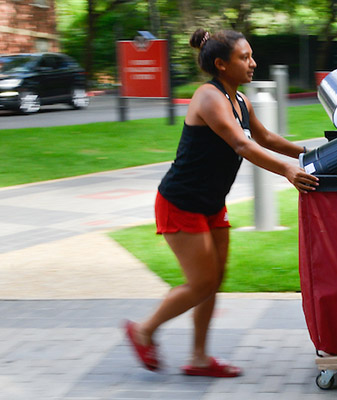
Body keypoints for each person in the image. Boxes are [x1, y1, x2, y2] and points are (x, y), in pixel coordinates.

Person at [124, 28, 319, 377]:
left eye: (251, 56)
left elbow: (265, 137)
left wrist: (313, 153)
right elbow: (242, 146)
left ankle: (199, 357)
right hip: (181, 201)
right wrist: (288, 172)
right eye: (245, 57)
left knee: (213, 280)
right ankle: (144, 330)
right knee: (200, 282)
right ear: (221, 64)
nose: (253, 63)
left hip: (211, 203)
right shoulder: (209, 97)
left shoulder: (239, 100)